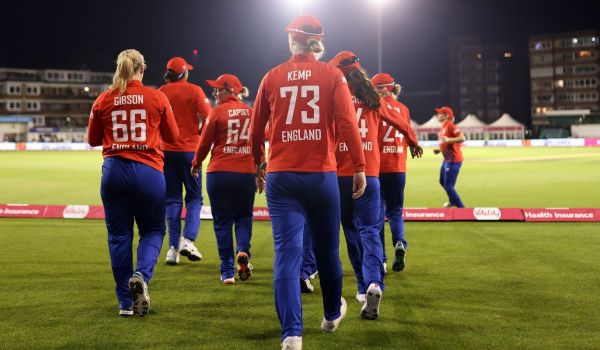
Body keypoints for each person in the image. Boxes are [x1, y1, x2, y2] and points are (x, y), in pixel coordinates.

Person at [250, 15, 366, 350]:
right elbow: (347, 123)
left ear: (292, 41)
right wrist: (358, 166)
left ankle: (292, 333)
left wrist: (259, 164)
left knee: (287, 254)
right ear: (317, 42)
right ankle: (331, 315)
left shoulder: (272, 77)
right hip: (322, 176)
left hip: (282, 177)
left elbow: (256, 130)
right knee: (328, 251)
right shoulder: (332, 75)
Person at [329, 51, 423, 320]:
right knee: (371, 230)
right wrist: (413, 141)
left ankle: (361, 286)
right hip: (370, 173)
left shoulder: (335, 93)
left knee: (350, 229)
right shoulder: (373, 97)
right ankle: (374, 283)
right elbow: (399, 121)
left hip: (340, 173)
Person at [87, 49, 179, 317]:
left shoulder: (103, 99)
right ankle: (141, 274)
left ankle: (125, 303)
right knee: (152, 230)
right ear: (143, 68)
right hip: (149, 172)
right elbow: (173, 136)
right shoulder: (157, 96)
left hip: (114, 172)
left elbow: (93, 140)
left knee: (118, 236)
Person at [191, 74, 256, 284]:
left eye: (219, 89)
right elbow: (260, 141)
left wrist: (196, 163)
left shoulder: (217, 111)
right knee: (244, 217)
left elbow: (204, 143)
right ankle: (243, 251)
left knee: (222, 222)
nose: (215, 93)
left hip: (219, 172)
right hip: (246, 172)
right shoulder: (250, 112)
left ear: (230, 90)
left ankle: (227, 271)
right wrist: (260, 168)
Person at [159, 56, 212, 265]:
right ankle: (188, 240)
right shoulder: (195, 90)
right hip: (190, 150)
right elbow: (208, 117)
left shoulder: (161, 92)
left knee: (172, 199)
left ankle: (172, 250)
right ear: (184, 72)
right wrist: (199, 133)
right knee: (194, 198)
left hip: (166, 152)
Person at [372, 73, 419, 272]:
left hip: (378, 166)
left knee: (377, 213)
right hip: (398, 167)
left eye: (376, 87)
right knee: (396, 210)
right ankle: (399, 242)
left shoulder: (375, 106)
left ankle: (380, 258)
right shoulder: (404, 109)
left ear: (384, 88)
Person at [433, 106, 465, 208]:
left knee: (449, 186)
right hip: (447, 159)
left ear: (446, 116)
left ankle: (462, 209)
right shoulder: (444, 126)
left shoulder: (450, 125)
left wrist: (449, 140)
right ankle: (453, 200)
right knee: (442, 181)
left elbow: (462, 138)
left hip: (454, 160)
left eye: (440, 113)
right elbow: (445, 142)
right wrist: (440, 150)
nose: (438, 115)